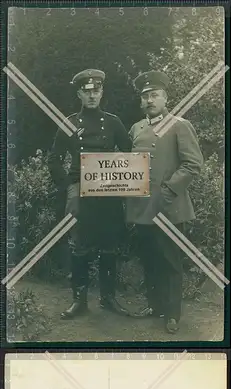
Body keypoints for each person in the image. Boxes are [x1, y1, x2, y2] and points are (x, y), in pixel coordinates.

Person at [48, 69, 132, 319]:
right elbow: (54, 159)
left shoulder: (114, 122)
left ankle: (108, 299)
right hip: (80, 189)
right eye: (87, 92)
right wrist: (67, 185)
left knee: (109, 245)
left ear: (102, 93)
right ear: (79, 94)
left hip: (108, 188)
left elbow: (129, 154)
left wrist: (123, 178)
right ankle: (79, 301)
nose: (92, 96)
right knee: (79, 245)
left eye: (96, 91)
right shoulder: (69, 123)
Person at [126, 70, 204, 334]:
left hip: (169, 207)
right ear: (141, 101)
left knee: (170, 261)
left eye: (154, 95)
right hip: (141, 207)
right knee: (149, 258)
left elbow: (193, 164)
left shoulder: (180, 125)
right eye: (145, 96)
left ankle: (172, 314)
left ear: (165, 97)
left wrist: (169, 191)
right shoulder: (136, 128)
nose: (150, 100)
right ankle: (155, 305)